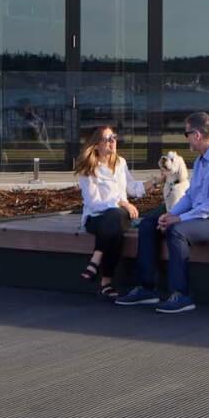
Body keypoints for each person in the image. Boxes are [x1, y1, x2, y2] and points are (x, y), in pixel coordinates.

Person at [115, 111, 209, 314]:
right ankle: (147, 288)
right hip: (203, 214)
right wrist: (170, 214)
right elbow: (190, 197)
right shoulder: (201, 161)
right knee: (149, 224)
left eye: (186, 134)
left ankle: (182, 295)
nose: (186, 139)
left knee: (177, 231)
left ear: (197, 135)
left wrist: (179, 219)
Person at [74, 124, 139, 299]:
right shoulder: (88, 170)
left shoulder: (120, 163)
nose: (112, 141)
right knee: (115, 226)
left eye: (114, 137)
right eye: (107, 139)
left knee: (115, 217)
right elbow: (94, 204)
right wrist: (120, 202)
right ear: (96, 145)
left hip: (118, 216)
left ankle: (96, 260)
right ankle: (106, 282)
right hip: (95, 218)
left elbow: (132, 187)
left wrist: (157, 180)